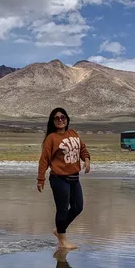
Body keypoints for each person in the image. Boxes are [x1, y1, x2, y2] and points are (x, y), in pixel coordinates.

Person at [37, 107, 90, 250]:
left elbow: (82, 148)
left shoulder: (73, 133)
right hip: (59, 178)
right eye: (57, 118)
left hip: (74, 178)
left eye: (63, 117)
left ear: (67, 119)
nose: (60, 120)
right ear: (53, 122)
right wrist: (40, 178)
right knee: (63, 209)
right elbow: (44, 160)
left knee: (78, 207)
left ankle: (59, 229)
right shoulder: (51, 138)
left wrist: (86, 160)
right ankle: (62, 240)